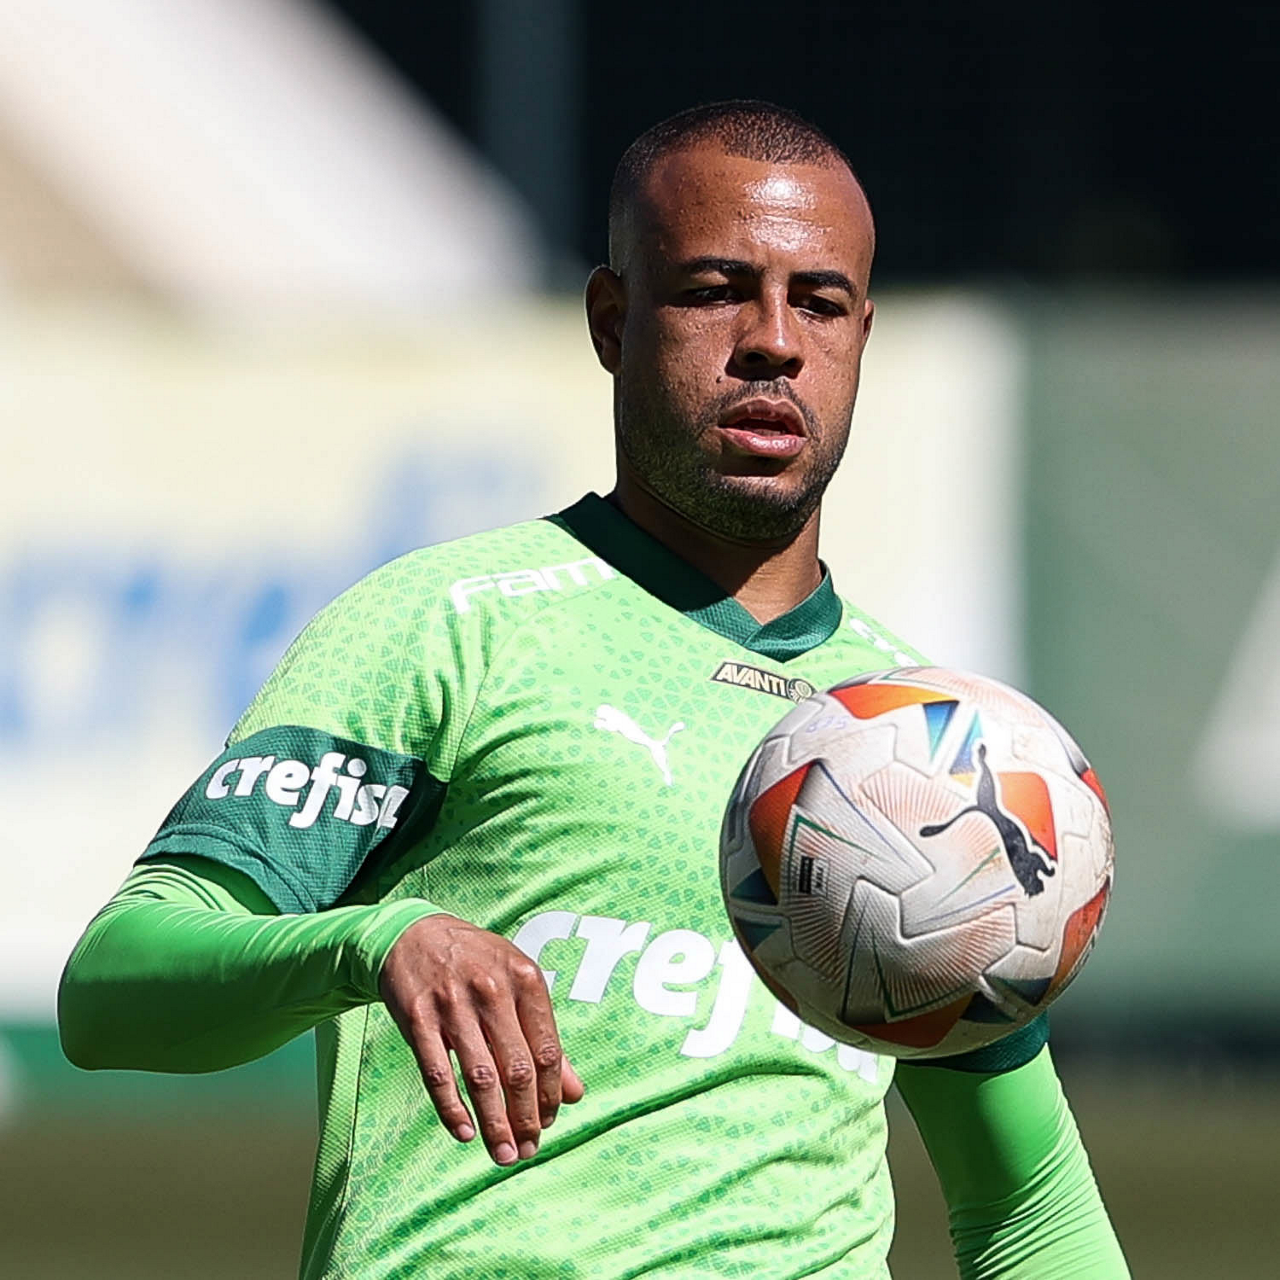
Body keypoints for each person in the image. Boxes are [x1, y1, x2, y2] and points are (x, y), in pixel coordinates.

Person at [59, 100, 1128, 1279]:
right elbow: (112, 989)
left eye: (818, 303)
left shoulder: (915, 742)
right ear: (611, 321)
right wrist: (371, 940)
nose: (773, 341)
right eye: (715, 291)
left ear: (859, 335)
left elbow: (1024, 1205)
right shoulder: (446, 624)